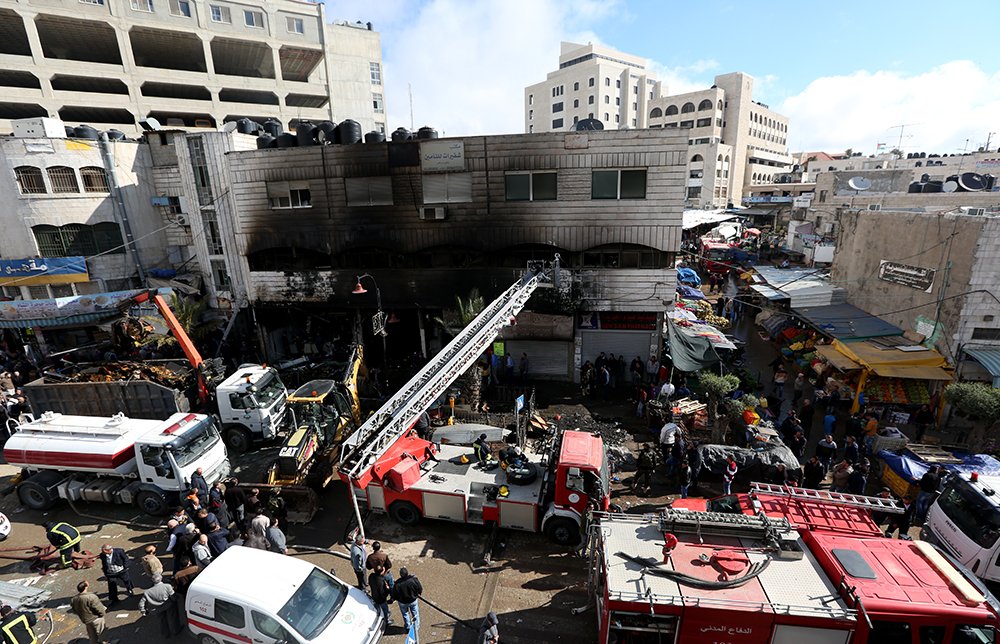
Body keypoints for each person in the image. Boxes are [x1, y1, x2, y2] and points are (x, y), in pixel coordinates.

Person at [391, 567, 423, 642]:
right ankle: (416, 627)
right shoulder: (413, 580)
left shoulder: (397, 584)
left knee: (405, 614)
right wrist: (418, 593)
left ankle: (408, 627)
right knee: (415, 613)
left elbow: (394, 594)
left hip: (403, 602)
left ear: (401, 575)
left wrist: (393, 599)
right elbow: (419, 588)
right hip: (413, 600)